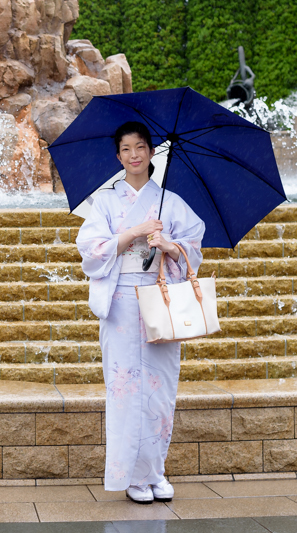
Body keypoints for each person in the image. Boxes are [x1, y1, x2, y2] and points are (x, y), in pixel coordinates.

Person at [75, 120, 205, 504]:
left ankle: (156, 472)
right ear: (118, 156)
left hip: (158, 299)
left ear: (152, 153)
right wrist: (133, 232)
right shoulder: (106, 202)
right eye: (126, 149)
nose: (134, 155)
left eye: (141, 147)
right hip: (120, 303)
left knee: (160, 389)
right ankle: (131, 476)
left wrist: (167, 243)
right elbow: (90, 250)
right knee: (125, 388)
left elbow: (193, 248)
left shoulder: (172, 202)